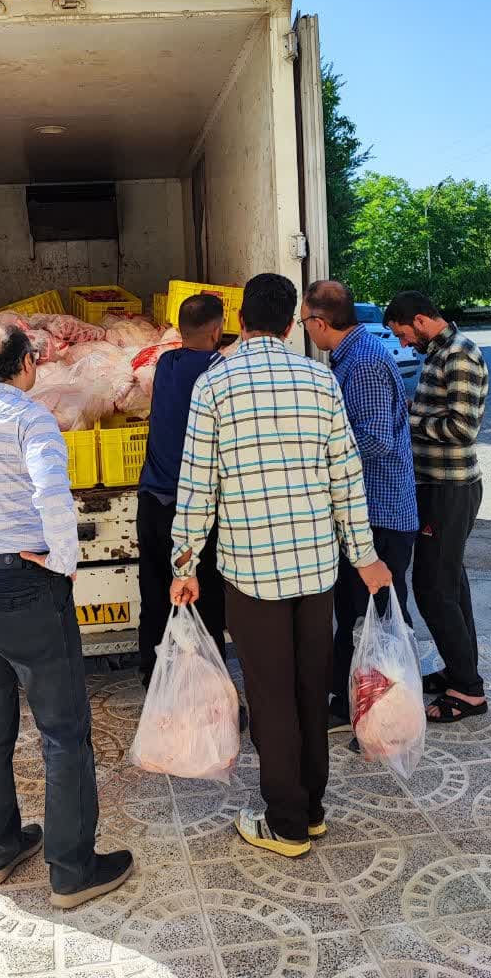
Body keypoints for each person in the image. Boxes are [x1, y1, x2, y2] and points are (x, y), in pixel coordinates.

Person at [169, 273, 392, 859]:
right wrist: (364, 557)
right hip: (316, 570)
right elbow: (346, 478)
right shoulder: (321, 380)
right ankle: (311, 809)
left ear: (241, 322)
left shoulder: (215, 385)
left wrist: (184, 563)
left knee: (270, 695)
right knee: (310, 688)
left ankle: (286, 823)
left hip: (252, 573)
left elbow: (197, 487)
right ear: (293, 324)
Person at [0, 324, 132, 909]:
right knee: (63, 732)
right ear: (26, 365)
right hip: (26, 587)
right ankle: (72, 871)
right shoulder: (30, 420)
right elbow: (52, 496)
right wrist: (63, 563)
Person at [301, 281, 418, 741]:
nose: (306, 330)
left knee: (382, 618)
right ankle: (352, 703)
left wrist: (320, 454)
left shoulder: (364, 363)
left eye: (305, 321)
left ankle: (392, 715)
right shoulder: (352, 356)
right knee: (356, 613)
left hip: (380, 510)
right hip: (370, 508)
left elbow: (375, 439)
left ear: (319, 322)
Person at [384, 292, 489, 724]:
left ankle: (468, 692)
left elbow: (462, 428)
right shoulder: (440, 353)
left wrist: (408, 419)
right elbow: (442, 412)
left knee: (433, 589)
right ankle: (460, 669)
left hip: (450, 489)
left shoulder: (459, 355)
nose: (404, 344)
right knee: (452, 585)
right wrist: (419, 410)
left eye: (403, 334)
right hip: (436, 486)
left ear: (421, 320)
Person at [136, 293, 227, 688]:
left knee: (155, 594)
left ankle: (154, 678)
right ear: (218, 331)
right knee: (204, 599)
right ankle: (205, 685)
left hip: (152, 501)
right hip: (194, 509)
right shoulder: (218, 371)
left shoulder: (165, 363)